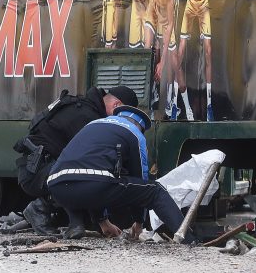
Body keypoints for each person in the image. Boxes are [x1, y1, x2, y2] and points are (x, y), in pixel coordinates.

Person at [46, 93, 195, 243]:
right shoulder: (135, 133)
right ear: (140, 126)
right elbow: (140, 178)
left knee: (86, 179)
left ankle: (76, 224)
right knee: (155, 190)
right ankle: (189, 240)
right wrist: (139, 221)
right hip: (94, 185)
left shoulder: (93, 124)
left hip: (56, 185)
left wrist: (104, 222)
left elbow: (86, 168)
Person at [14, 86, 137, 235]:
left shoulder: (85, 109)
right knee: (83, 175)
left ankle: (75, 224)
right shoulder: (86, 117)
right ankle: (38, 209)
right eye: (123, 116)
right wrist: (103, 221)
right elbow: (93, 170)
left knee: (81, 174)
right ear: (116, 105)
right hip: (35, 172)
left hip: (44, 169)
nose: (122, 121)